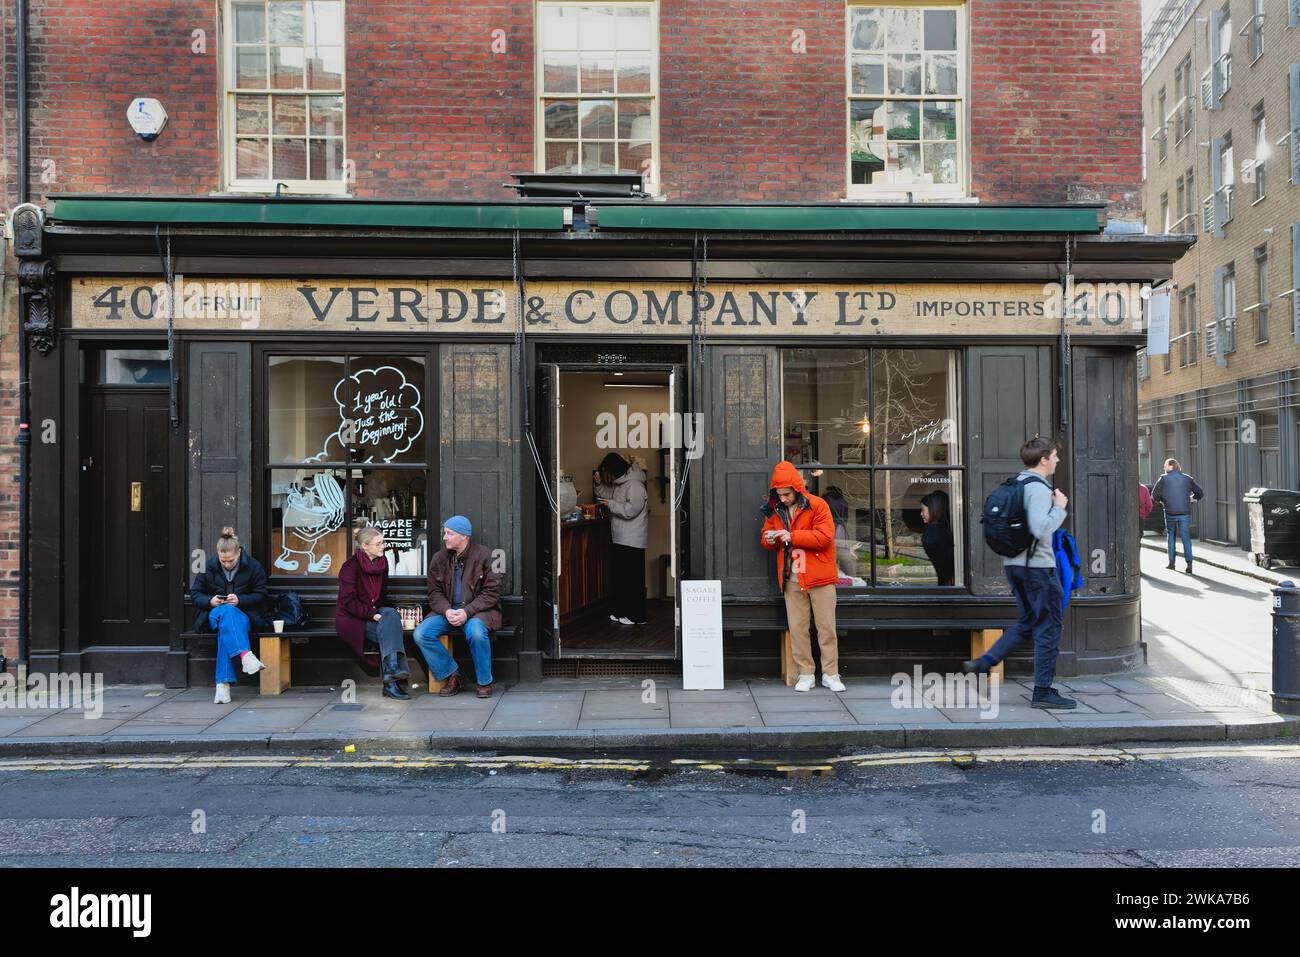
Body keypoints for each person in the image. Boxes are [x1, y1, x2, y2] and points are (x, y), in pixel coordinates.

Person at [963, 436, 1076, 710]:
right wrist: (1060, 508)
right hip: (1038, 569)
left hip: (1015, 565)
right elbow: (1039, 528)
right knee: (1049, 628)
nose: (1057, 460)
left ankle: (984, 662)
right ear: (1043, 460)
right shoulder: (1037, 488)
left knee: (1028, 622)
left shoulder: (1018, 483)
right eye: (1054, 456)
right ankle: (1043, 691)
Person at [760, 461, 845, 692]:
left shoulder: (817, 505)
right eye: (780, 494)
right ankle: (806, 674)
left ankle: (831, 674)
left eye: (787, 494)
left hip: (820, 576)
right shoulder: (774, 509)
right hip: (791, 577)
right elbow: (766, 535)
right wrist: (768, 539)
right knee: (797, 630)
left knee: (826, 628)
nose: (784, 498)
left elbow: (824, 537)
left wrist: (791, 536)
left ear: (797, 489)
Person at [413, 515, 501, 698]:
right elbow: (434, 593)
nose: (445, 537)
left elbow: (492, 593)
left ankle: (484, 682)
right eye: (445, 533)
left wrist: (466, 611)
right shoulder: (439, 558)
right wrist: (447, 610)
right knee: (421, 633)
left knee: (476, 632)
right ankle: (453, 674)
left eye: (449, 533)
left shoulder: (486, 555)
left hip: (478, 612)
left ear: (464, 536)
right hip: (448, 612)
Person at [189, 527, 268, 704]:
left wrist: (240, 600)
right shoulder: (208, 566)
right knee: (225, 612)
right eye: (222, 560)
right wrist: (211, 601)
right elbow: (195, 594)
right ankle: (245, 655)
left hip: (243, 615)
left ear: (239, 552)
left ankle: (222, 686)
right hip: (213, 614)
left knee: (227, 626)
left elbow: (261, 593)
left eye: (230, 560)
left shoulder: (253, 566)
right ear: (218, 554)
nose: (226, 564)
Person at [336, 526, 410, 700]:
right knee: (387, 627)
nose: (383, 546)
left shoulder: (382, 564)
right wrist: (373, 615)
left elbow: (381, 598)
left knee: (391, 615)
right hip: (352, 618)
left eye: (383, 542)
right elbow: (348, 603)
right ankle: (392, 681)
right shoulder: (349, 567)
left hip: (374, 612)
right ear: (365, 546)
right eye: (378, 544)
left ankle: (391, 675)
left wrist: (382, 615)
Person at [593, 452, 649, 625]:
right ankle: (623, 612)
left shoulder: (635, 485)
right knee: (623, 578)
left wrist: (611, 505)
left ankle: (636, 616)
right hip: (620, 537)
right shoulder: (620, 483)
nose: (607, 476)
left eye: (607, 472)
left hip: (632, 539)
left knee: (632, 579)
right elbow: (607, 496)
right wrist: (598, 485)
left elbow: (630, 511)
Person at [1151, 457, 1203, 574]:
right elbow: (1200, 492)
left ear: (1171, 466)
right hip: (1184, 513)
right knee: (1186, 538)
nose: (1164, 468)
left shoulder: (1163, 479)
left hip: (1169, 512)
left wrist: (1162, 501)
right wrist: (1193, 498)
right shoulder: (1187, 479)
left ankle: (1171, 563)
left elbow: (1154, 495)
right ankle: (1189, 564)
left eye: (1165, 465)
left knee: (1171, 536)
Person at [919, 489, 955, 586]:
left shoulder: (933, 532)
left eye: (923, 510)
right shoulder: (946, 531)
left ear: (933, 510)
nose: (921, 514)